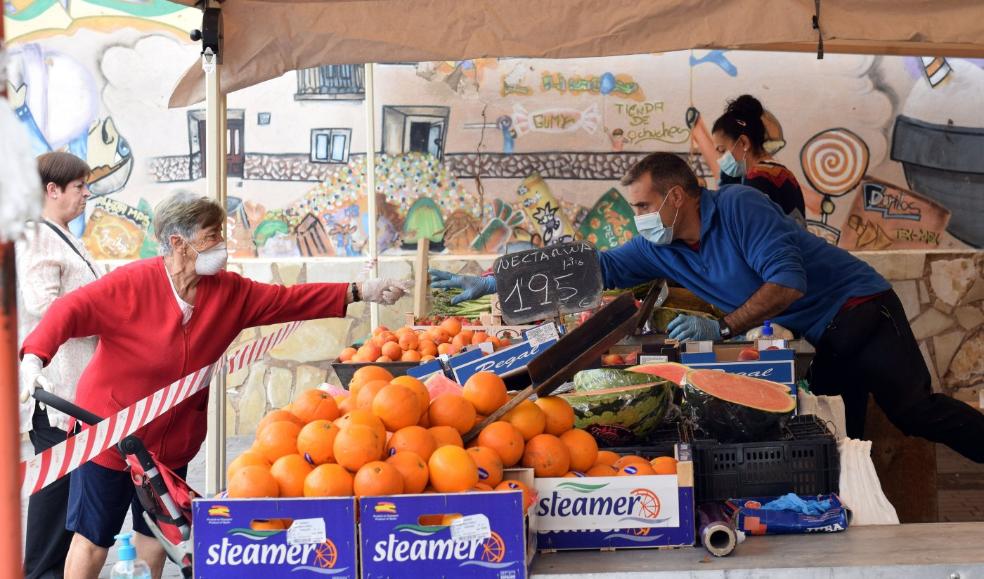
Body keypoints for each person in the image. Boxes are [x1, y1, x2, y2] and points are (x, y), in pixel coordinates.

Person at [430, 153, 984, 464]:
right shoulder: (657, 246)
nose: (639, 218)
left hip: (862, 310)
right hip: (827, 333)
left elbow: (786, 283)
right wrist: (493, 280)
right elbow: (594, 269)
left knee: (914, 413)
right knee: (837, 435)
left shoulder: (741, 206)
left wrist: (722, 324)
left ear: (676, 197)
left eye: (644, 205)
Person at [19, 191, 411, 579]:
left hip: (172, 444)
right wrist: (35, 355)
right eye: (212, 237)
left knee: (155, 536)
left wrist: (360, 291)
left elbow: (288, 299)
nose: (222, 246)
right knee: (93, 540)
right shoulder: (132, 284)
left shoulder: (229, 292)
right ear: (178, 243)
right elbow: (70, 310)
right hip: (109, 433)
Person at [16, 152, 101, 579]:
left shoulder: (65, 235)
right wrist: (101, 319)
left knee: (70, 504)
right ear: (53, 190)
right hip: (57, 395)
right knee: (54, 508)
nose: (87, 194)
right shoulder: (39, 236)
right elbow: (44, 305)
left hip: (78, 394)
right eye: (79, 187)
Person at [711, 95, 807, 226]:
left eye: (722, 150)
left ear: (744, 142)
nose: (720, 159)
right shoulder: (784, 174)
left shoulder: (757, 179)